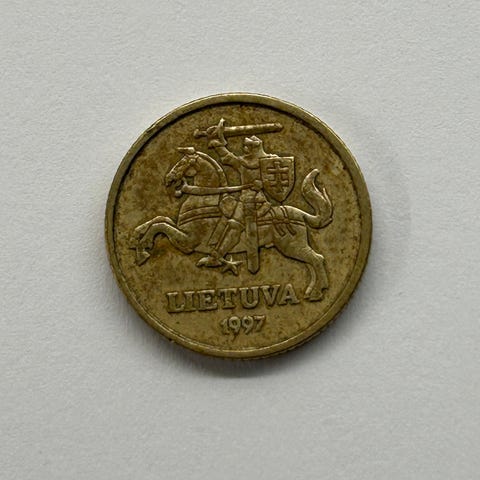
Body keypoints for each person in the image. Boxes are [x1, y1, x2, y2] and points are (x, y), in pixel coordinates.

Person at [197, 127, 276, 271]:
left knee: (234, 226)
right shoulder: (243, 163)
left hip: (258, 202)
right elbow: (228, 157)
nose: (244, 149)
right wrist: (217, 144)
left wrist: (263, 184)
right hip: (244, 200)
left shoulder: (270, 161)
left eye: (248, 147)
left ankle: (216, 257)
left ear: (255, 149)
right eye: (244, 146)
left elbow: (277, 181)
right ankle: (216, 256)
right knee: (228, 220)